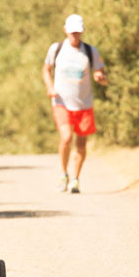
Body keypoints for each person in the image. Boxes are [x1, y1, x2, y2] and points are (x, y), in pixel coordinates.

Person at [41, 13, 108, 193]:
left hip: (84, 104)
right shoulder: (57, 49)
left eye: (77, 32)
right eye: (72, 32)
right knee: (66, 137)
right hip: (61, 102)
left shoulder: (90, 51)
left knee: (81, 144)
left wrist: (100, 77)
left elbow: (102, 74)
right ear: (65, 30)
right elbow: (46, 69)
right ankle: (64, 174)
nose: (75, 35)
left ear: (82, 31)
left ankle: (76, 179)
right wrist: (50, 87)